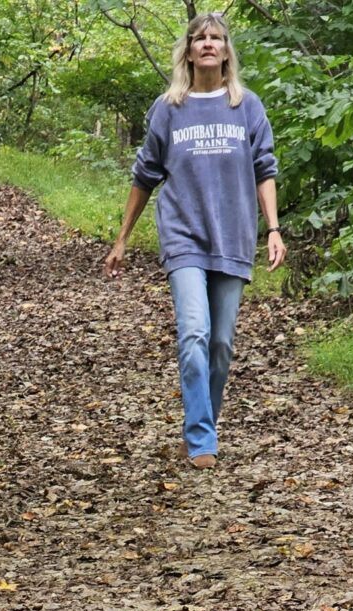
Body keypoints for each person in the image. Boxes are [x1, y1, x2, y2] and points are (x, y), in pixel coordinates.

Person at [104, 11, 286, 469]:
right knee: (195, 334)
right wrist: (122, 238)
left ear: (226, 51)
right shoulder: (169, 108)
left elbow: (265, 169)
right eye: (200, 38)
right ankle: (201, 438)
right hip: (184, 235)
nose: (208, 43)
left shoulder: (247, 106)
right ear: (188, 50)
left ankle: (206, 420)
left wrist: (274, 229)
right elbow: (144, 174)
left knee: (221, 343)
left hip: (233, 236)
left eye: (216, 38)